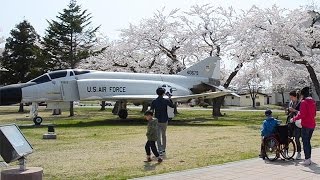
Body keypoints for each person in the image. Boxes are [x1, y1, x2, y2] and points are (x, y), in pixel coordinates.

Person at [291, 87, 316, 166]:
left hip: (306, 125)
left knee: (305, 142)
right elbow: (314, 114)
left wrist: (294, 119)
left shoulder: (303, 102)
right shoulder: (313, 101)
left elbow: (302, 114)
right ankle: (308, 158)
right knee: (308, 142)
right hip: (312, 124)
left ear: (302, 95)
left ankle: (307, 159)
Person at [150, 87, 175, 156]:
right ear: (163, 93)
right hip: (164, 119)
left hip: (157, 119)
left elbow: (151, 110)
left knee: (158, 135)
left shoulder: (154, 101)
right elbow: (172, 106)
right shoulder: (166, 101)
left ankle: (160, 149)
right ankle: (163, 148)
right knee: (164, 134)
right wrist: (170, 98)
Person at [287, 90, 302, 160]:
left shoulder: (300, 103)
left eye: (292, 97)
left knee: (297, 138)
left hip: (297, 122)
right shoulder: (290, 102)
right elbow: (288, 111)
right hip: (290, 121)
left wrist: (294, 110)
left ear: (295, 96)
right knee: (287, 135)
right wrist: (288, 110)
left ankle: (299, 152)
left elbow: (301, 112)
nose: (291, 99)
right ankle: (285, 150)